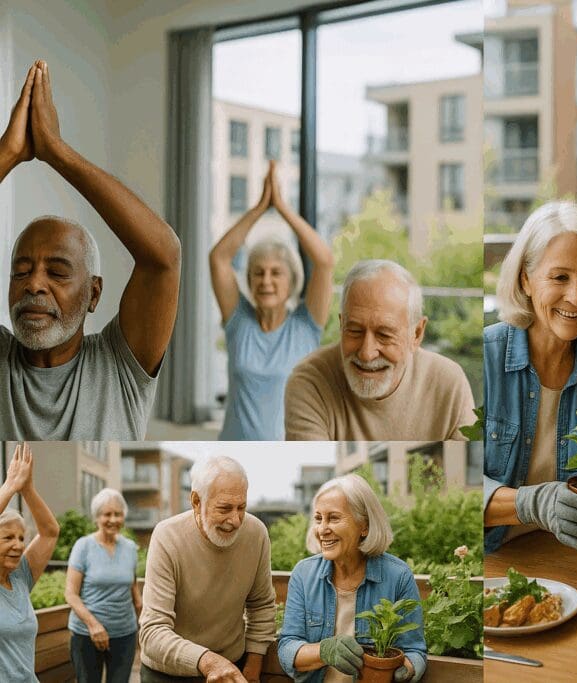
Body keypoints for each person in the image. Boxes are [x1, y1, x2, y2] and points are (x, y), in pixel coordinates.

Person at [0, 61, 180, 440]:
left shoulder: (118, 363)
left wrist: (58, 152)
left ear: (93, 293)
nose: (34, 284)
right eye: (21, 270)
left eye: (57, 271)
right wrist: (8, 152)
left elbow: (163, 256)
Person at [483, 201, 577, 555]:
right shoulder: (484, 358)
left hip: (573, 560)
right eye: (560, 277)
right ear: (526, 280)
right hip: (493, 560)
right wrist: (529, 503)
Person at [210, 160, 333, 440]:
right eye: (258, 273)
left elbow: (324, 261)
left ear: (291, 280)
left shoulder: (306, 325)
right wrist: (259, 209)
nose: (266, 281)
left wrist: (283, 208)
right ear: (250, 281)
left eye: (276, 273)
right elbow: (218, 258)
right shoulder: (238, 321)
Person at [285, 260, 475, 441]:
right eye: (355, 331)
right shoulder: (310, 382)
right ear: (342, 324)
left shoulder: (449, 384)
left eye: (384, 335)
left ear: (416, 334)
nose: (367, 353)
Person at [278, 474, 427, 682]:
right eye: (319, 518)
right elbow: (287, 647)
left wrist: (404, 671)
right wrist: (324, 650)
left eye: (334, 518)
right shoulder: (303, 574)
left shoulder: (398, 576)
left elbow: (414, 651)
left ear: (364, 526)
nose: (322, 529)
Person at [138, 456, 275, 683]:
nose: (236, 520)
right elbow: (152, 633)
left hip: (232, 667)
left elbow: (260, 605)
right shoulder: (166, 537)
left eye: (241, 507)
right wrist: (208, 661)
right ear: (196, 501)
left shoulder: (257, 533)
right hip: (167, 674)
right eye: (224, 508)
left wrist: (253, 666)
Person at [64, 488, 141, 683]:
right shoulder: (83, 546)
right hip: (87, 635)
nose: (113, 520)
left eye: (118, 514)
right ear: (97, 517)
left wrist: (145, 623)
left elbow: (133, 590)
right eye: (107, 514)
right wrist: (93, 625)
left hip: (125, 634)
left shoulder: (130, 548)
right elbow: (71, 594)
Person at [0, 444, 60, 680]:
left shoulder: (21, 576)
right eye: (7, 538)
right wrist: (9, 486)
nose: (18, 545)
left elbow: (50, 532)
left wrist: (27, 490)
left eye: (21, 538)